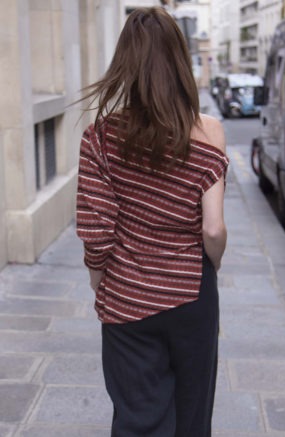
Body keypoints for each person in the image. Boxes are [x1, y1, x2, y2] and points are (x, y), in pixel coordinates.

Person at [76, 7, 229, 437]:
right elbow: (213, 230)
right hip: (191, 295)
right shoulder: (209, 131)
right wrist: (209, 269)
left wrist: (99, 280)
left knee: (138, 420)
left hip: (126, 296)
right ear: (179, 61)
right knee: (193, 417)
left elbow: (98, 230)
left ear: (125, 64)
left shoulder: (101, 137)